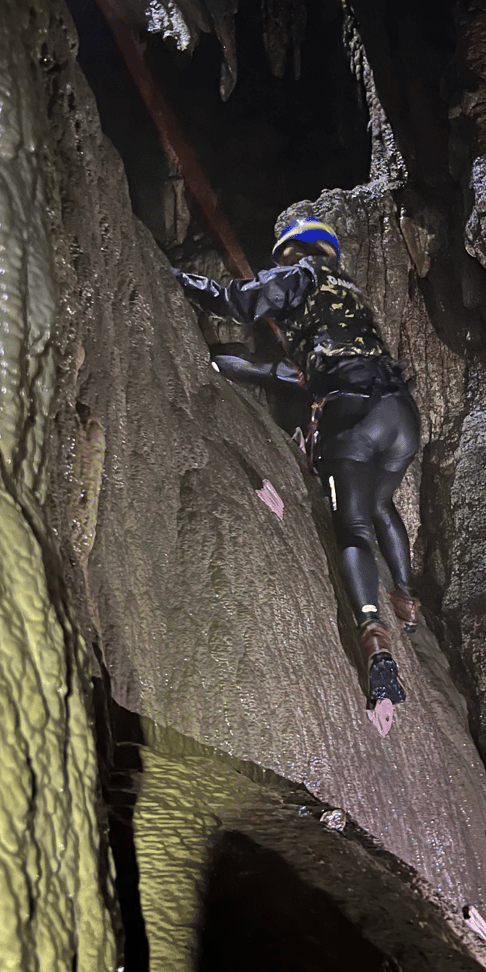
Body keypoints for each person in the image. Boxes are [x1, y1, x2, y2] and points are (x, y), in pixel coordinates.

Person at [172, 216, 421, 713]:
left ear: (295, 250)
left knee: (350, 525)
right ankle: (407, 599)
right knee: (381, 503)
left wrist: (177, 279)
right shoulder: (350, 297)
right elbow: (286, 372)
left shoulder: (299, 277)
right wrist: (232, 367)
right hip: (399, 416)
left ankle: (374, 634)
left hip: (350, 415)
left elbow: (236, 301)